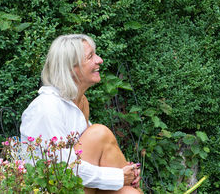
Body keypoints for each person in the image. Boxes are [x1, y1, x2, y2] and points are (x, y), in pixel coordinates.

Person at [20, 34, 142, 194]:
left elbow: (98, 154)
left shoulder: (80, 102)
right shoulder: (47, 108)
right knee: (99, 133)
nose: (100, 60)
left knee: (129, 193)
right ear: (71, 68)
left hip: (77, 185)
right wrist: (119, 176)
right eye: (90, 56)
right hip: (52, 188)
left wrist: (127, 172)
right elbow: (61, 168)